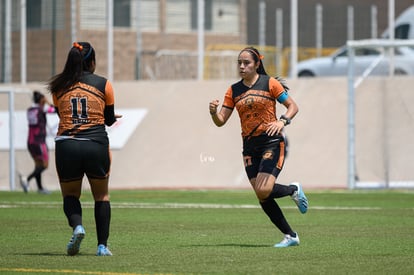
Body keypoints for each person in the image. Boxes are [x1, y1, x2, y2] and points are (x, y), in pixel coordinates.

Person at [209, 47, 308, 248]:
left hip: (271, 142)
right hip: (249, 149)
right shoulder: (233, 90)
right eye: (239, 63)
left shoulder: (269, 83)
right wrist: (213, 112)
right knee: (262, 195)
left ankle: (292, 190)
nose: (242, 66)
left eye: (246, 63)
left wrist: (283, 121)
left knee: (264, 190)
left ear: (256, 64)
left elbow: (293, 107)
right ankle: (290, 236)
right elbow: (221, 121)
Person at [47, 42, 121, 256]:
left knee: (70, 195)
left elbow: (63, 116)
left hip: (67, 145)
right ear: (92, 61)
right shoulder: (103, 84)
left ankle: (78, 227)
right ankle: (102, 246)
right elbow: (107, 121)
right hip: (95, 144)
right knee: (102, 196)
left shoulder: (57, 87)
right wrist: (107, 117)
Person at [19, 90, 56, 194]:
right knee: (44, 165)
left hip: (30, 141)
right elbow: (55, 110)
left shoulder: (30, 110)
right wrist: (48, 102)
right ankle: (27, 179)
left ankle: (40, 188)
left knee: (38, 165)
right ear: (41, 99)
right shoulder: (42, 109)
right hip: (39, 141)